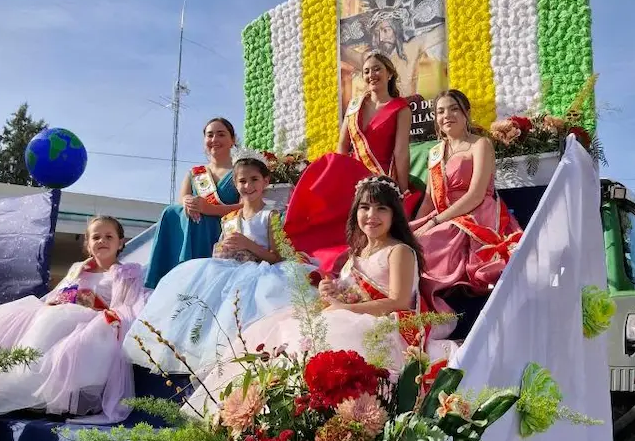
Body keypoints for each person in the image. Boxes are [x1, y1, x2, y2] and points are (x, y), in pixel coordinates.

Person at [186, 175, 455, 415]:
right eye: (364, 207)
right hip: (351, 315)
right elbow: (351, 291)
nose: (371, 215)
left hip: (388, 325)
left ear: (394, 214)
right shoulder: (357, 252)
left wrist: (343, 309)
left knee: (326, 333)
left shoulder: (399, 251)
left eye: (381, 208)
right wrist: (332, 291)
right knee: (285, 328)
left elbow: (399, 301)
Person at [124, 153, 305, 376]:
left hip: (259, 274)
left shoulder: (270, 216)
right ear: (236, 184)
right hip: (227, 271)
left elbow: (277, 257)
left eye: (254, 179)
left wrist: (248, 245)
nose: (248, 186)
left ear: (266, 181)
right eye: (242, 181)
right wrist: (223, 249)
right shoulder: (228, 219)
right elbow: (220, 251)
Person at [0, 216, 147, 421]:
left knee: (73, 338)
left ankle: (50, 398)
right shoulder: (78, 269)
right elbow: (57, 294)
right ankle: (18, 390)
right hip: (64, 316)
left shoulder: (127, 272)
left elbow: (128, 305)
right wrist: (62, 300)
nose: (102, 241)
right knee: (34, 322)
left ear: (120, 242)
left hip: (96, 323)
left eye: (109, 237)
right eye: (96, 237)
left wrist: (98, 307)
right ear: (88, 244)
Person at [283, 51, 420, 272]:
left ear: (390, 74)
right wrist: (336, 176)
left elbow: (401, 152)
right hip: (352, 176)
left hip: (381, 176)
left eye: (377, 69)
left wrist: (402, 190)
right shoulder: (355, 105)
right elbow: (342, 146)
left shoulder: (400, 108)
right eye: (366, 71)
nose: (371, 75)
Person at [411, 90, 523, 311]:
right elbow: (428, 200)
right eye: (440, 111)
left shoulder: (480, 144)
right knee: (404, 242)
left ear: (466, 114)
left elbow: (476, 194)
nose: (447, 115)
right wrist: (415, 228)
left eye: (454, 109)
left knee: (428, 244)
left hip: (475, 214)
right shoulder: (435, 152)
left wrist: (434, 222)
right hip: (443, 215)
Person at [144, 117, 240, 289]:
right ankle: (173, 271)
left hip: (224, 229)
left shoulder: (241, 171)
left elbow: (247, 207)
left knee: (200, 219)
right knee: (171, 211)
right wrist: (188, 202)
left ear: (232, 139)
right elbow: (182, 202)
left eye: (221, 134)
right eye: (210, 135)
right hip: (195, 227)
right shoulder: (195, 173)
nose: (214, 139)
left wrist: (211, 209)